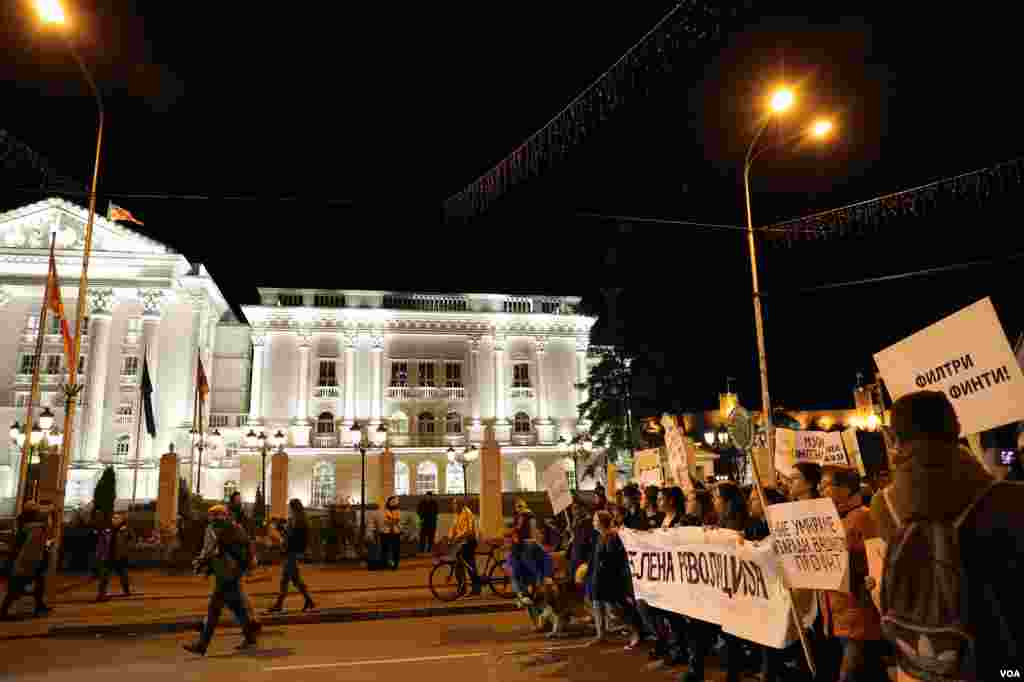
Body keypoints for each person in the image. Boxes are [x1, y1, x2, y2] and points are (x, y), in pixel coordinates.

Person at [869, 390, 1024, 682]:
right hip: (1005, 653)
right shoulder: (1011, 498)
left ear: (893, 438)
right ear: (956, 429)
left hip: (932, 652)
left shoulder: (882, 505)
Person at [818, 466, 887, 682]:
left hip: (859, 614)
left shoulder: (864, 518)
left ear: (846, 489)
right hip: (837, 613)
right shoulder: (829, 520)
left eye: (827, 484)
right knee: (871, 672)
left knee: (849, 675)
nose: (821, 488)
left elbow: (878, 561)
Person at [183, 505, 258, 655]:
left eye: (213, 515)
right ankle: (250, 636)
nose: (211, 518)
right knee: (238, 609)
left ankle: (202, 645)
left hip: (226, 574)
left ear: (218, 515)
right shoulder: (235, 527)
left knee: (214, 610)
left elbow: (213, 551)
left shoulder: (220, 529)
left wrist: (201, 563)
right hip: (231, 573)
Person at [586, 510, 638, 647]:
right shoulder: (600, 536)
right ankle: (600, 635)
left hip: (609, 578)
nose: (593, 522)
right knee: (597, 605)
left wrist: (603, 566)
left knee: (616, 609)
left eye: (595, 520)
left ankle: (635, 631)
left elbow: (612, 558)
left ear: (602, 522)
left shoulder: (612, 536)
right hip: (599, 577)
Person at [0, 502, 50, 620]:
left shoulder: (27, 524)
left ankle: (39, 605)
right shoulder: (32, 527)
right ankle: (3, 611)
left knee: (35, 582)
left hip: (28, 560)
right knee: (17, 586)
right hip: (25, 560)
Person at [266, 499, 315, 613]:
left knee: (287, 580)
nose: (289, 510)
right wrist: (281, 526)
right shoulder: (299, 520)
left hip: (291, 553)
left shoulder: (298, 521)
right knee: (293, 580)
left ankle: (280, 604)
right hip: (292, 552)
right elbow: (289, 534)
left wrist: (280, 530)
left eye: (290, 508)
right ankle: (308, 600)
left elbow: (290, 536)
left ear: (294, 508)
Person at [97, 512, 134, 601]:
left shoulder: (125, 530)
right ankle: (101, 594)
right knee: (104, 576)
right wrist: (100, 554)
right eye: (114, 518)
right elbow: (101, 542)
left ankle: (126, 590)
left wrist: (126, 551)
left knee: (123, 575)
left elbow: (132, 539)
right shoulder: (107, 530)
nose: (115, 519)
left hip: (120, 557)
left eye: (117, 518)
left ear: (121, 520)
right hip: (108, 556)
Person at [448, 497, 481, 595]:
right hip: (462, 541)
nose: (453, 506)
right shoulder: (458, 514)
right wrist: (450, 537)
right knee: (460, 564)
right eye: (453, 504)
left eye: (455, 504)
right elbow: (454, 527)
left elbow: (468, 530)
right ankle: (463, 587)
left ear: (461, 505)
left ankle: (475, 587)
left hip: (469, 541)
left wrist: (457, 538)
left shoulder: (467, 513)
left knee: (468, 563)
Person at [375, 495, 403, 570]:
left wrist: (392, 520)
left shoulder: (398, 511)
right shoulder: (383, 511)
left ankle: (395, 565)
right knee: (385, 549)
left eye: (395, 502)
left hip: (396, 532)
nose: (394, 503)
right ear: (388, 502)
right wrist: (393, 520)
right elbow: (385, 521)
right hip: (385, 532)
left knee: (396, 550)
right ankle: (384, 564)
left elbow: (398, 520)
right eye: (392, 502)